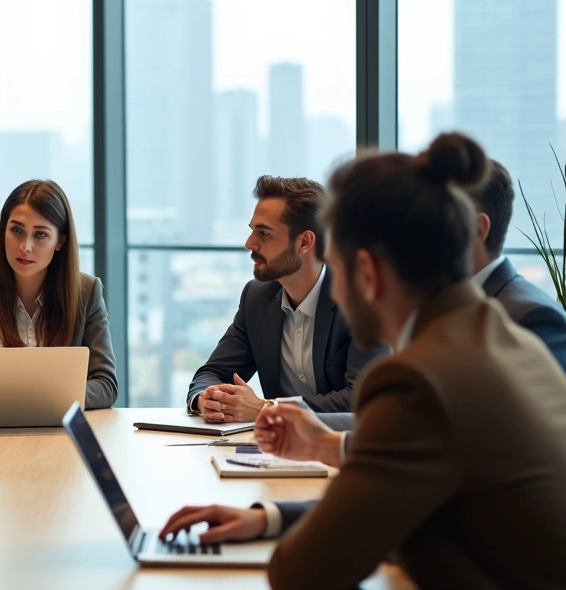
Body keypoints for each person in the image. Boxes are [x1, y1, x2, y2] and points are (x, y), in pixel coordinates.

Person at [160, 133, 566, 589]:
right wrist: (271, 515)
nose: (333, 289)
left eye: (337, 266)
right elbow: (409, 493)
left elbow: (303, 572)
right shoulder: (506, 342)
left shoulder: (419, 381)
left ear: (368, 273)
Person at [317, 159, 566, 433]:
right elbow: (418, 424)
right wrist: (314, 433)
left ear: (474, 230)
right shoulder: (440, 319)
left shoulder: (532, 317)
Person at [185, 176, 386, 423]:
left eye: (265, 233)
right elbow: (213, 372)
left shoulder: (362, 301)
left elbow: (360, 400)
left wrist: (266, 408)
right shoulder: (256, 298)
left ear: (304, 242)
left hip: (346, 451)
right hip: (277, 452)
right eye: (252, 231)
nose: (249, 244)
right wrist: (208, 398)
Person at [0, 179, 117, 414]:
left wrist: (46, 400)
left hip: (61, 437)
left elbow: (106, 385)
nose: (25, 246)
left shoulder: (87, 293)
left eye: (40, 235)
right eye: (16, 230)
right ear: (4, 230)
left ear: (60, 241)